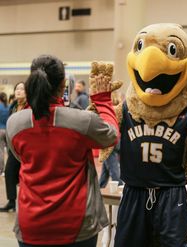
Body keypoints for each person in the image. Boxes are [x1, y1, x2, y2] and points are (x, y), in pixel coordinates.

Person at [5, 55, 118, 246]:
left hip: (30, 225)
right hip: (77, 227)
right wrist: (103, 101)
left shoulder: (14, 123)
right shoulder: (82, 121)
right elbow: (112, 135)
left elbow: (19, 156)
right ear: (63, 84)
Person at [0, 82, 27, 212]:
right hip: (13, 147)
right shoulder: (13, 106)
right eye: (17, 89)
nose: (18, 91)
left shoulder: (30, 106)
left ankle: (27, 201)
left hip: (27, 148)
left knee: (26, 175)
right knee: (10, 172)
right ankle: (11, 201)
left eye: (22, 89)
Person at [99, 92, 123, 188]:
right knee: (106, 167)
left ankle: (119, 188)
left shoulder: (106, 109)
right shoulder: (120, 108)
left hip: (109, 140)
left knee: (113, 169)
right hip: (119, 138)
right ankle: (101, 186)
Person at [0, 92, 9, 174]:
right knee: (10, 151)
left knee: (1, 150)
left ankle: (1, 170)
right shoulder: (9, 106)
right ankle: (11, 169)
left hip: (0, 130)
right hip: (8, 130)